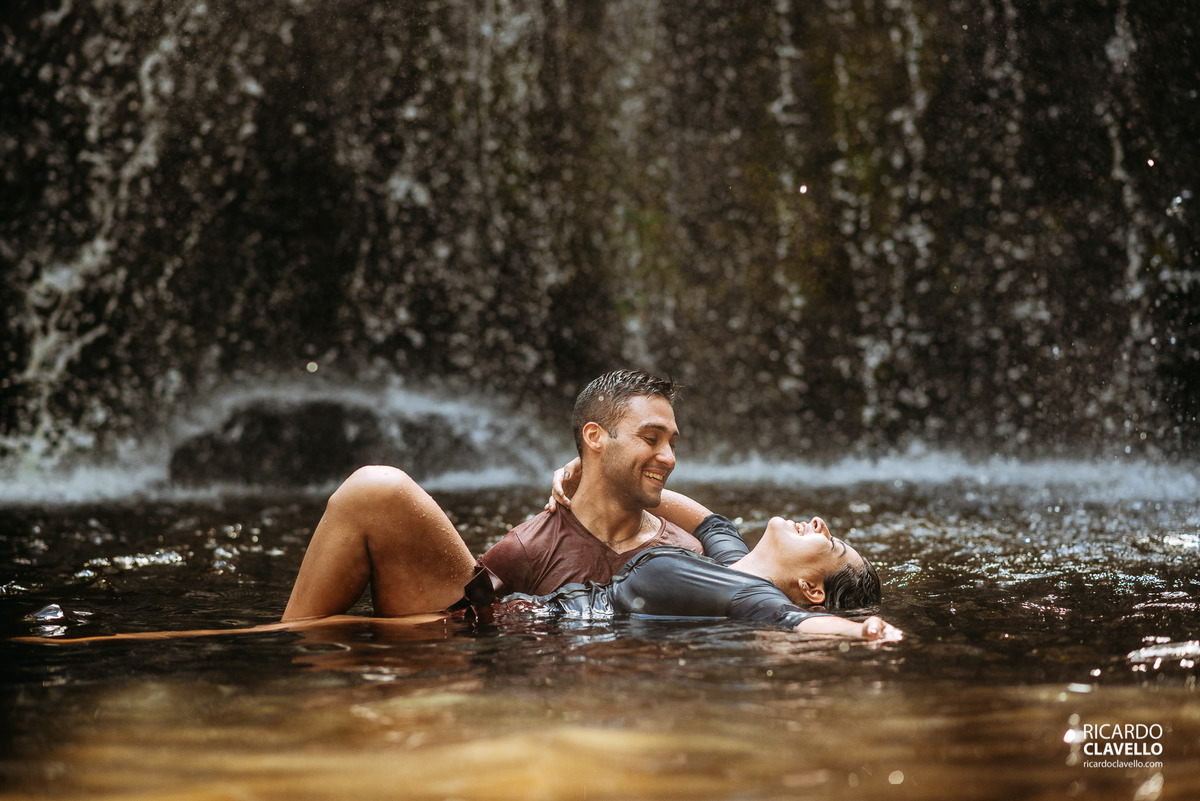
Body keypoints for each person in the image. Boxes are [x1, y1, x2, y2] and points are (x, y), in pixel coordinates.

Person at [282, 369, 704, 620]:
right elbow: (469, 628)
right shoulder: (527, 547)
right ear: (595, 438)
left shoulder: (688, 552)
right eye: (650, 438)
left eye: (672, 443)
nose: (667, 457)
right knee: (375, 489)